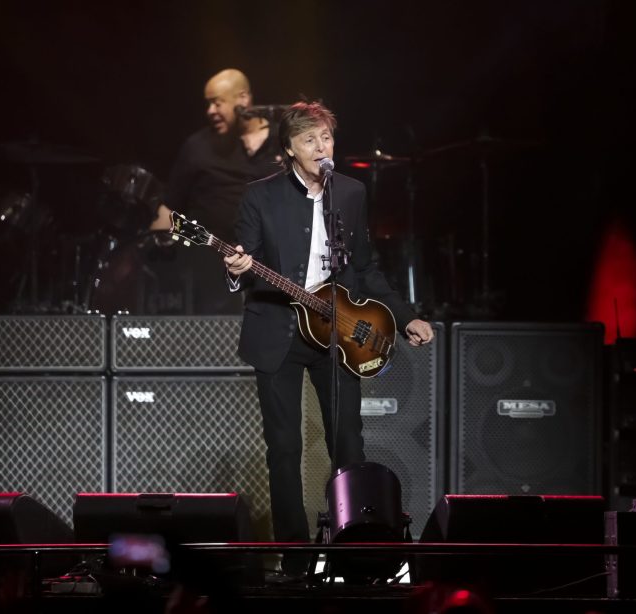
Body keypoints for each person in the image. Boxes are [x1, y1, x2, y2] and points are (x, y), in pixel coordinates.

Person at [224, 101, 434, 576]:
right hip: (277, 331)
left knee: (348, 444)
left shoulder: (351, 193)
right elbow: (243, 260)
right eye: (309, 141)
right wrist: (236, 270)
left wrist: (406, 318)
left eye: (326, 139)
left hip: (337, 332)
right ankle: (296, 561)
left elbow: (365, 268)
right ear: (289, 150)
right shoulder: (261, 196)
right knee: (284, 448)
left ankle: (355, 558)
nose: (321, 148)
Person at [154, 68, 283, 313]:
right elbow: (168, 209)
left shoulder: (283, 141)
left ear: (243, 99)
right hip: (209, 274)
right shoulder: (197, 147)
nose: (210, 111)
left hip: (275, 271)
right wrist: (154, 255)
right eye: (208, 104)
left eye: (217, 103)